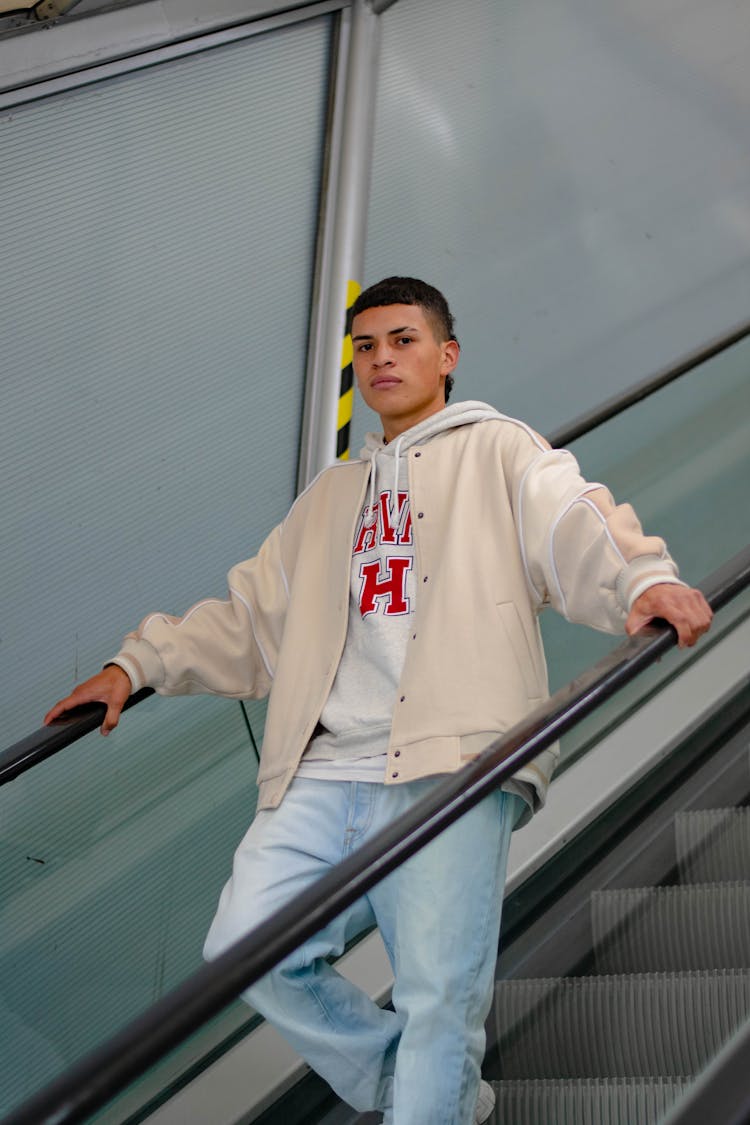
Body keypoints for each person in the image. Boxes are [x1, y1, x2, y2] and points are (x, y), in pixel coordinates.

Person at [45, 278, 712, 1124]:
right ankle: (422, 1093)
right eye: (366, 347)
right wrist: (137, 665)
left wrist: (642, 580)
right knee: (244, 947)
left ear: (446, 355)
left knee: (439, 995)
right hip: (323, 770)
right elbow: (251, 620)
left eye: (402, 340)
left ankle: (432, 1095)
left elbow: (573, 520)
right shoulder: (327, 498)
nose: (382, 358)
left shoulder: (497, 449)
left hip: (457, 762)